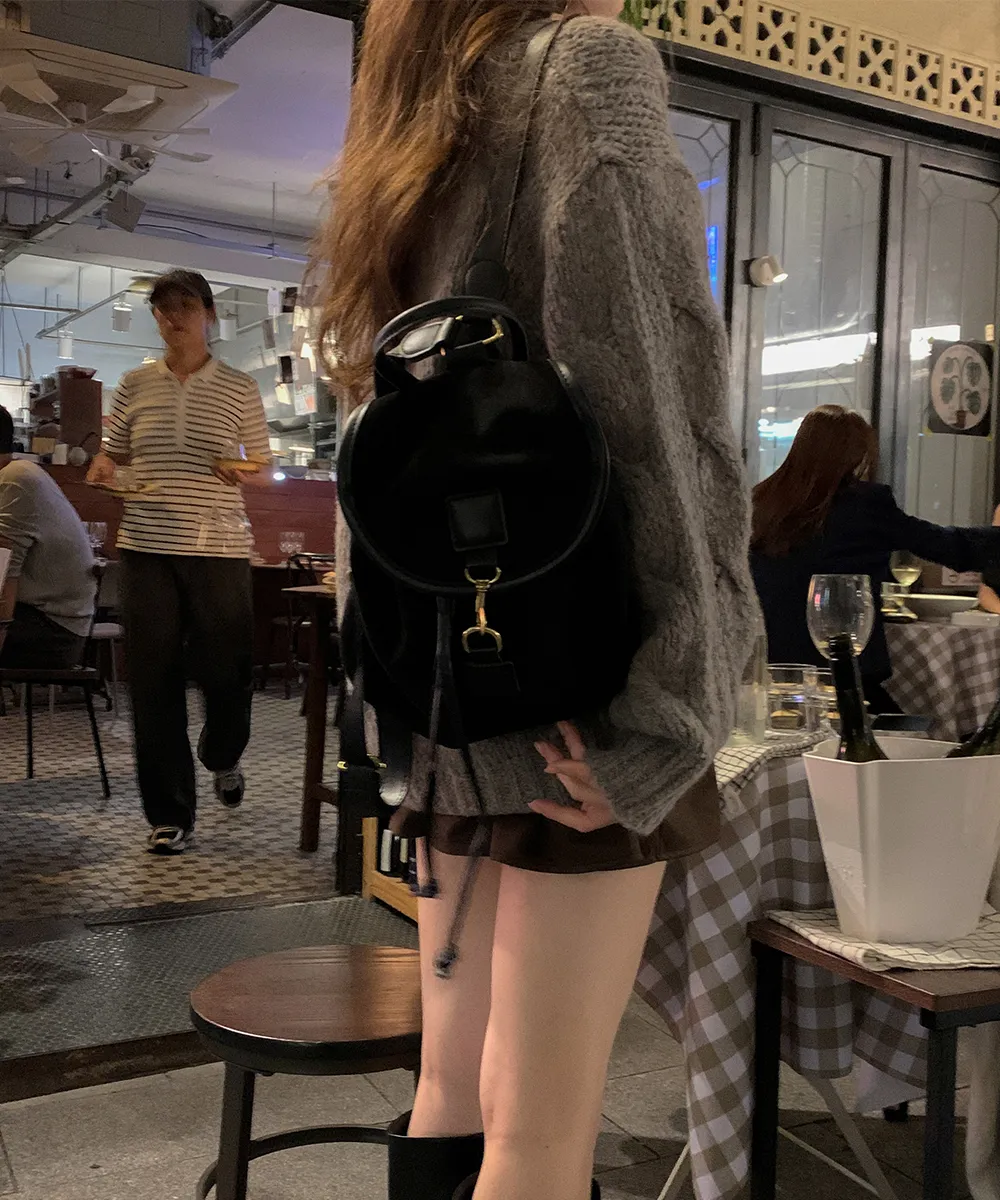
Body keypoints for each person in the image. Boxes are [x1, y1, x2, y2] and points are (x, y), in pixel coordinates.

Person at [310, 4, 758, 1199]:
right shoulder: (583, 72)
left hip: (449, 695)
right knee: (539, 1138)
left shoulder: (412, 128)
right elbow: (660, 414)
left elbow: (378, 461)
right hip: (580, 705)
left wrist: (397, 702)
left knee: (457, 1095)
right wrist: (672, 722)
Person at [87, 270, 271, 856]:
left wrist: (237, 467)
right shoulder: (134, 384)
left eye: (185, 306)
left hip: (219, 547)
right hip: (145, 546)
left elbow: (261, 464)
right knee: (153, 681)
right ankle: (170, 815)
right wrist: (104, 469)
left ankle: (223, 753)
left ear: (209, 314)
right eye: (163, 309)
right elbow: (112, 456)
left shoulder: (238, 387)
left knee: (228, 671)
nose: (173, 318)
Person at [751, 405, 1000, 710]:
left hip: (766, 669)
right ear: (857, 456)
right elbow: (949, 546)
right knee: (928, 721)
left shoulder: (761, 500)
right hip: (842, 674)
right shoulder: (865, 503)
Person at [0, 405, 96, 668]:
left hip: (54, 631)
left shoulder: (14, 480)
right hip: (49, 621)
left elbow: (4, 577)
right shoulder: (19, 473)